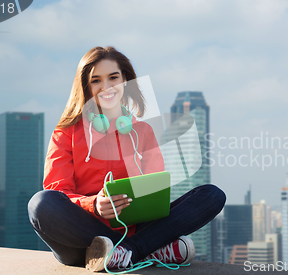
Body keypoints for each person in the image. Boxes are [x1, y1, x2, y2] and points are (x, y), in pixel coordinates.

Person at [27, 46, 226, 272]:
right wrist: (94, 205)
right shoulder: (66, 132)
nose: (107, 87)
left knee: (212, 195)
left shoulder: (143, 132)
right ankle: (142, 249)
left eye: (114, 78)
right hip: (82, 241)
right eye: (96, 81)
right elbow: (58, 191)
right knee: (40, 203)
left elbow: (154, 191)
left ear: (125, 81)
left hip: (135, 229)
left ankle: (128, 251)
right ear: (85, 87)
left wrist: (145, 202)